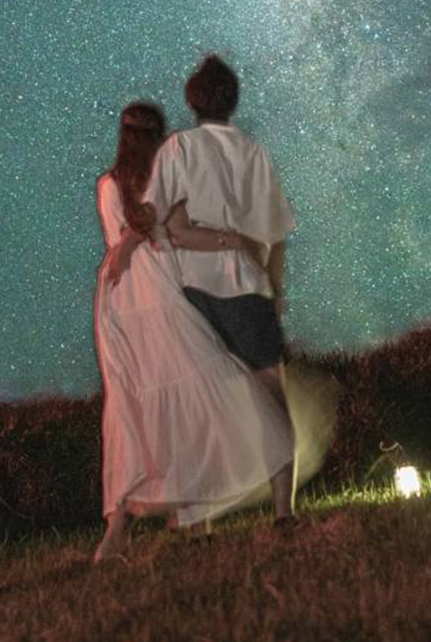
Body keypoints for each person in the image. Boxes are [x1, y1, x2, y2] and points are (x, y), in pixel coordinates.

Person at [92, 100, 295, 562]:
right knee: (196, 389)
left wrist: (128, 243)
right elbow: (173, 232)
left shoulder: (107, 185)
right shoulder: (165, 180)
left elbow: (128, 234)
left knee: (134, 403)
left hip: (118, 299)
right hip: (158, 291)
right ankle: (204, 508)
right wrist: (233, 241)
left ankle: (129, 528)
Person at [142, 53, 298, 525]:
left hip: (194, 287)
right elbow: (276, 234)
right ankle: (284, 509)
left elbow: (156, 216)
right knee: (271, 397)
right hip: (248, 286)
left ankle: (200, 518)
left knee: (198, 406)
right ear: (233, 100)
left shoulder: (178, 148)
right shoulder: (253, 151)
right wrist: (275, 292)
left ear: (193, 101)